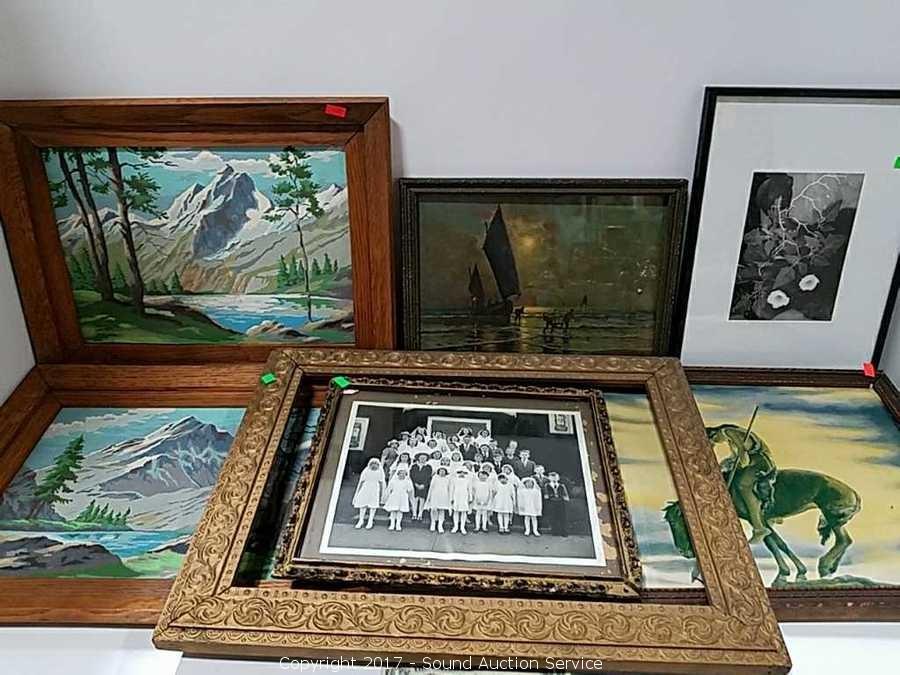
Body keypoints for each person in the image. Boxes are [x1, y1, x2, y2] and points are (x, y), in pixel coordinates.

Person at [352, 458, 386, 529]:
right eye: (372, 464)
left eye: (376, 464)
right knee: (363, 504)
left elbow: (381, 483)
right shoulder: (366, 471)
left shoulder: (380, 472)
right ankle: (361, 520)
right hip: (365, 488)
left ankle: (370, 520)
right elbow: (361, 481)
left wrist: (381, 494)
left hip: (375, 489)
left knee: (373, 505)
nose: (374, 465)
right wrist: (358, 492)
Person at [383, 467, 415, 531]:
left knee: (400, 511)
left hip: (403, 497)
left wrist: (410, 499)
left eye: (403, 473)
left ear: (406, 474)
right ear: (398, 474)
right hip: (394, 496)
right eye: (400, 473)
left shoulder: (408, 482)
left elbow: (410, 491)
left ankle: (398, 524)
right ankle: (392, 524)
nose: (402, 475)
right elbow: (389, 489)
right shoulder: (393, 481)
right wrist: (386, 498)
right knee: (393, 510)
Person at [425, 466, 452, 533]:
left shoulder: (448, 479)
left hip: (444, 496)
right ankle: (433, 523)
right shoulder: (435, 478)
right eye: (440, 471)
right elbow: (431, 488)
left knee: (441, 510)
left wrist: (450, 498)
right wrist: (429, 497)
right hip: (435, 495)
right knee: (433, 509)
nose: (442, 472)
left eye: (443, 471)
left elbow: (449, 489)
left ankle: (440, 525)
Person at [542, 471, 569, 536]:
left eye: (555, 477)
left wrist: (565, 497)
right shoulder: (547, 485)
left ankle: (563, 531)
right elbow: (546, 494)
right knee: (553, 517)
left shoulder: (562, 485)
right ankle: (555, 531)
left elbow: (565, 494)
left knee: (562, 517)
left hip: (560, 502)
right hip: (552, 502)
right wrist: (548, 497)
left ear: (558, 478)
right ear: (549, 478)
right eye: (552, 477)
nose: (554, 479)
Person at [410, 452, 433, 521]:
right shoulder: (414, 466)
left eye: (424, 458)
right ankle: (414, 514)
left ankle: (420, 514)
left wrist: (424, 485)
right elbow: (412, 475)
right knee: (415, 499)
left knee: (422, 499)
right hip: (415, 485)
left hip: (424, 486)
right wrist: (415, 484)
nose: (422, 459)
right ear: (418, 458)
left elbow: (429, 477)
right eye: (421, 458)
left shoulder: (428, 467)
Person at [450, 467, 473, 534]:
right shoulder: (454, 480)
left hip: (464, 497)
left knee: (463, 512)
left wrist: (470, 497)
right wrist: (451, 498)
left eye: (464, 473)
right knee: (456, 512)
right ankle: (455, 526)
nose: (462, 474)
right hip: (456, 496)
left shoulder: (468, 480)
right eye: (460, 472)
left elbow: (470, 489)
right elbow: (452, 489)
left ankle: (462, 527)